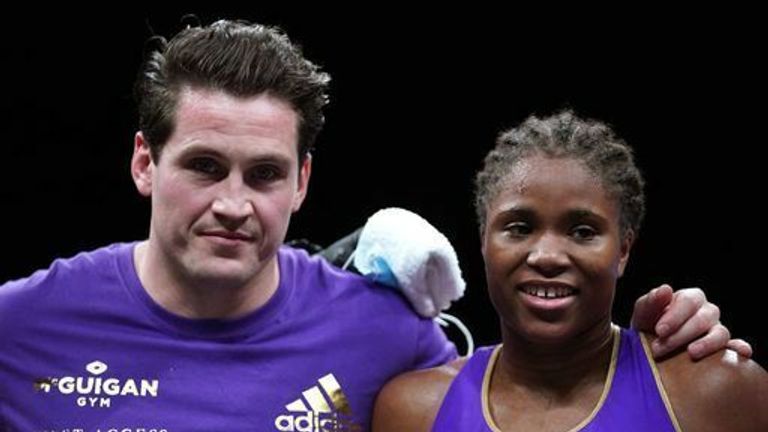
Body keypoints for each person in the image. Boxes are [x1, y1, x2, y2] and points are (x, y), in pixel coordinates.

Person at [0, 20, 748, 431]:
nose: (233, 203)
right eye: (204, 166)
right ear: (143, 164)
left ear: (302, 182)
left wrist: (673, 339)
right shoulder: (21, 325)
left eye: (263, 174)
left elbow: (537, 377)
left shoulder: (383, 335)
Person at [372, 111, 768, 432]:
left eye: (582, 231)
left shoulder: (716, 391)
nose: (547, 256)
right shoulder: (413, 412)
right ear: (483, 242)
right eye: (520, 228)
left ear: (623, 250)